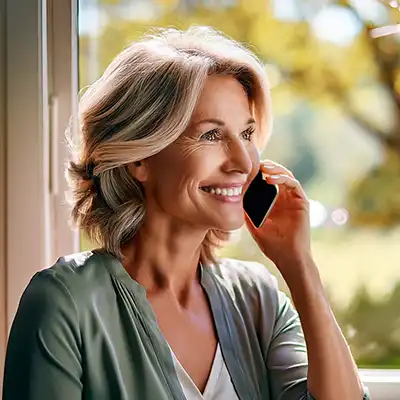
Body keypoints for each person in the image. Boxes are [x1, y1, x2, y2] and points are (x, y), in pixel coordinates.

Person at [2, 26, 369, 400]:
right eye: (211, 135)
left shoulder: (257, 297)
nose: (244, 162)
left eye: (246, 134)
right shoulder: (64, 302)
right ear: (140, 158)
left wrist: (299, 266)